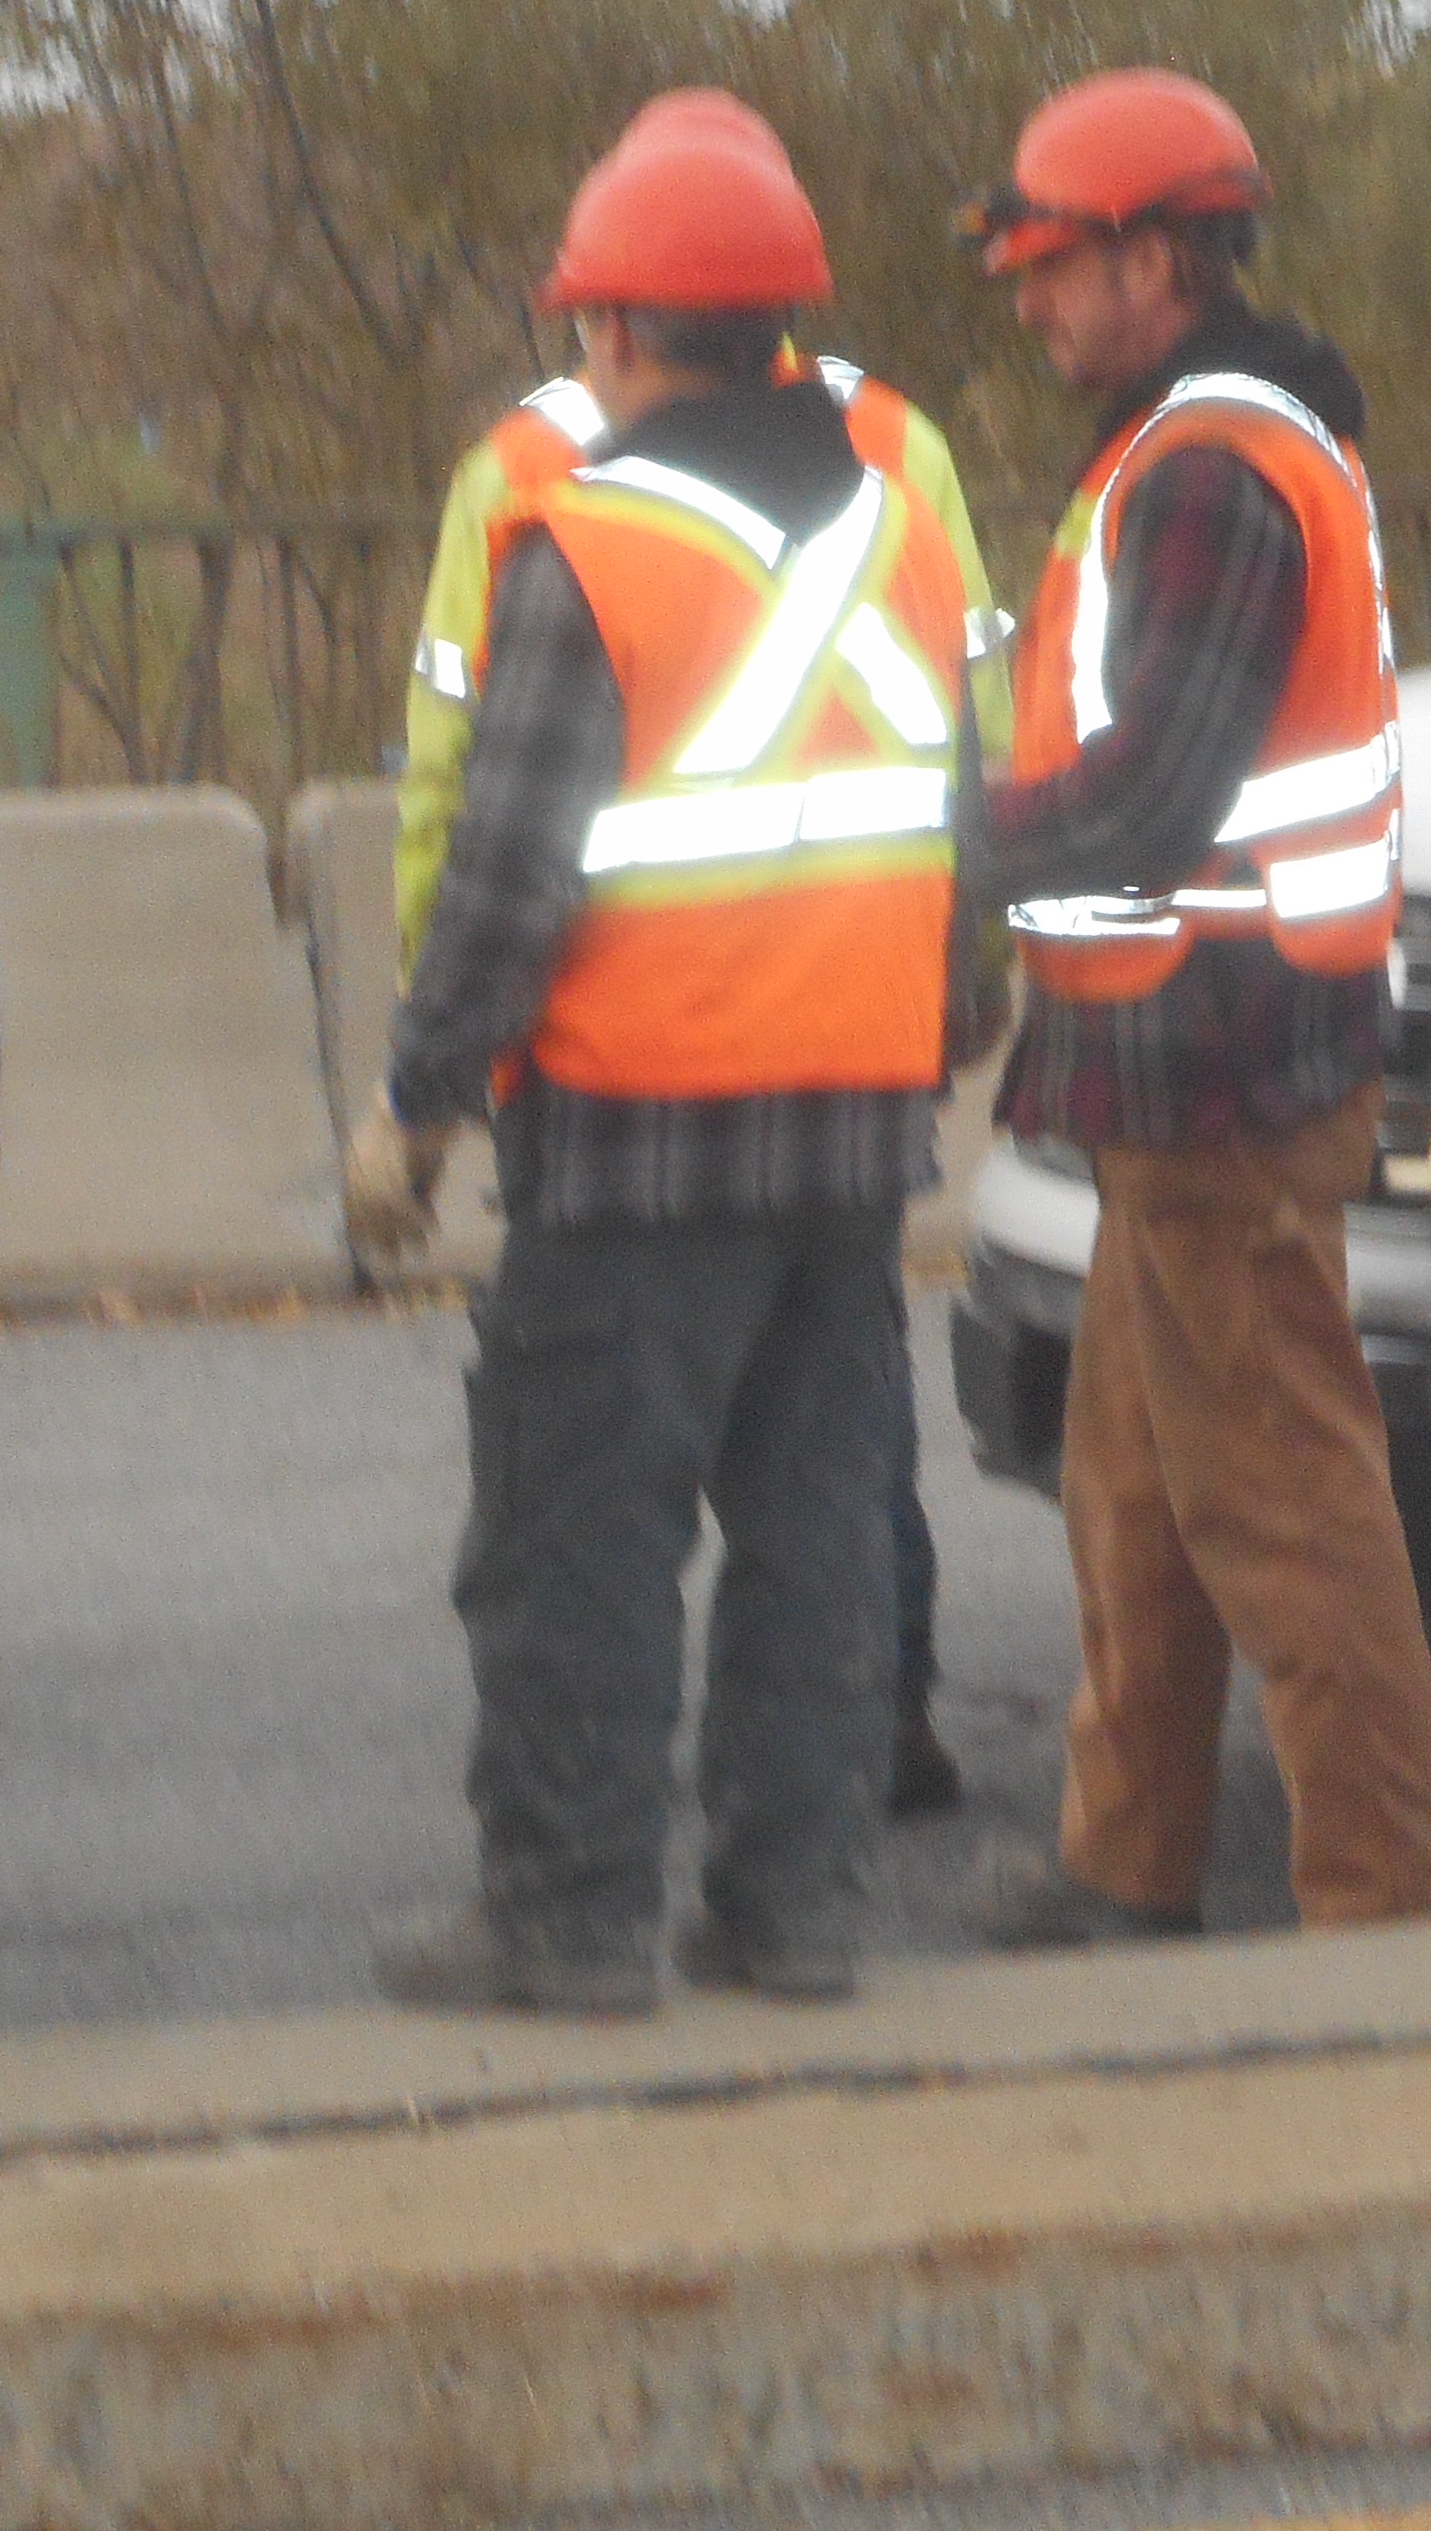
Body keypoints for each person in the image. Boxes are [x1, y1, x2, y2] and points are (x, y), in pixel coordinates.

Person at [344, 106, 979, 2015]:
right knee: (817, 1541)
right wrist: (936, 1039)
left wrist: (416, 1105)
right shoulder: (905, 540)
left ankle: (568, 1918)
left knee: (578, 1539)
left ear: (613, 329)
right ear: (782, 326)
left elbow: (506, 875)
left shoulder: (590, 547)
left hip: (635, 1142)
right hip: (854, 1139)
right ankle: (799, 1913)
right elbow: (967, 825)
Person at [959, 69, 1431, 1947]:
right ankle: (1127, 1860)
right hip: (1186, 1065)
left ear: (1159, 261)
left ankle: (1394, 1916)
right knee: (1137, 1491)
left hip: (1221, 1075)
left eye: (1054, 264)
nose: (1029, 301)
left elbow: (1154, 797)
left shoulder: (1211, 472)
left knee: (1288, 1515)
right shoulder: (1193, 450)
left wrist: (952, 847)